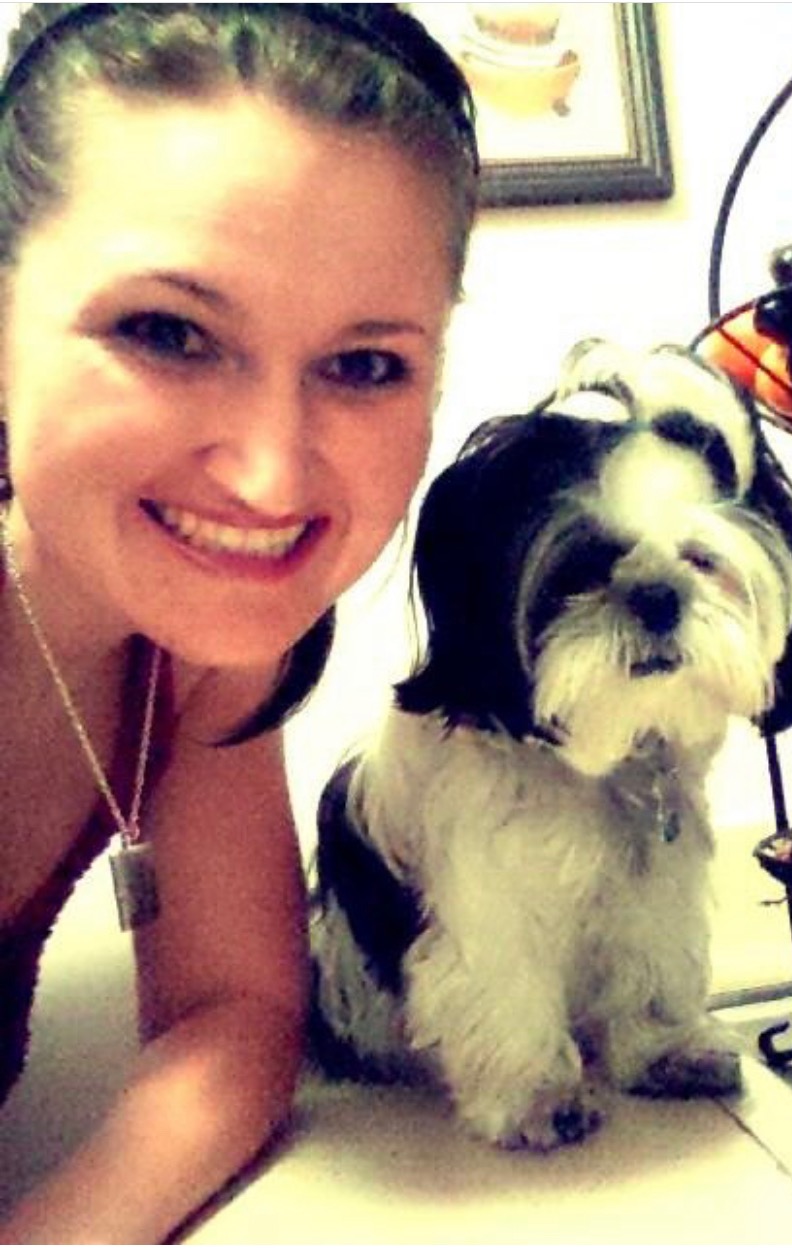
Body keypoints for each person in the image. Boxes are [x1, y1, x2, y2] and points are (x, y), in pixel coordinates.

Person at [0, 3, 478, 1242]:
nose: (270, 479)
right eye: (168, 333)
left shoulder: (195, 657)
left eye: (364, 365)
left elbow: (235, 1016)